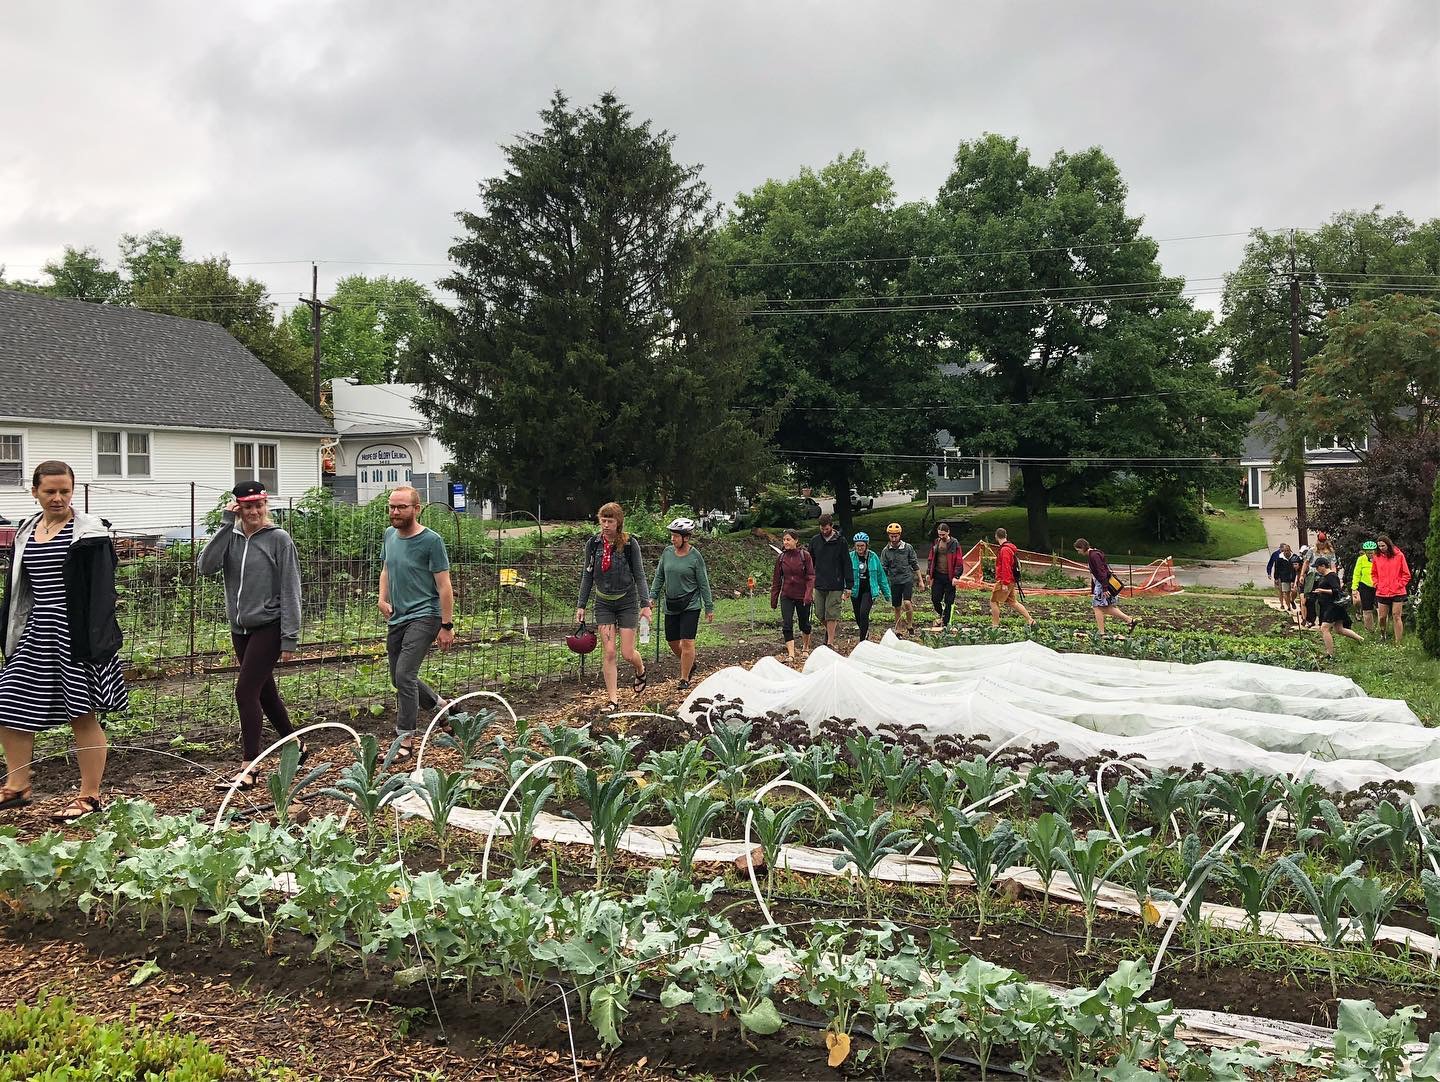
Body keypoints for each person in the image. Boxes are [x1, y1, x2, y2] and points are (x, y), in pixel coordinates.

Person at [0, 461, 125, 821]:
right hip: (38, 630)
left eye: (64, 491)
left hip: (78, 633)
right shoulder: (26, 530)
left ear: (73, 490)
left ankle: (90, 795)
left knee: (81, 714)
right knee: (8, 703)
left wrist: (96, 642)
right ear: (35, 491)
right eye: (50, 491)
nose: (58, 498)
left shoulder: (88, 533)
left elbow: (102, 593)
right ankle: (18, 785)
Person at [197, 480, 304, 790]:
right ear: (238, 508)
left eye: (259, 505)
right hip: (240, 628)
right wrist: (224, 526)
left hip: (269, 625)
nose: (254, 511)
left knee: (245, 692)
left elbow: (291, 588)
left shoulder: (278, 539)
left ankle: (249, 766)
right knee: (264, 693)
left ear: (265, 506)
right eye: (247, 506)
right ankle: (295, 743)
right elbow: (206, 567)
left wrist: (290, 636)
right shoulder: (230, 537)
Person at [379, 486, 454, 761]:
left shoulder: (432, 541)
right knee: (397, 677)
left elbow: (444, 586)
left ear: (416, 509)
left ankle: (405, 739)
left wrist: (446, 625)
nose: (395, 512)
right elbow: (386, 568)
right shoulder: (389, 535)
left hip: (426, 615)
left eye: (401, 507)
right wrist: (381, 598)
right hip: (398, 615)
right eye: (392, 507)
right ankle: (439, 705)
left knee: (404, 675)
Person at [576, 502, 651, 711]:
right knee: (609, 652)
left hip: (627, 601)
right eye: (603, 520)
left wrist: (646, 604)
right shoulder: (593, 545)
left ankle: (640, 669)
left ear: (619, 523)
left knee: (627, 653)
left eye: (610, 521)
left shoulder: (629, 545)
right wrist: (581, 605)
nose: (606, 525)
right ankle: (613, 700)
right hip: (603, 603)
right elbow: (587, 575)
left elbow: (640, 575)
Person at [650, 517, 714, 691]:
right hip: (671, 604)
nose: (673, 539)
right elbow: (659, 576)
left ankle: (684, 678)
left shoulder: (695, 557)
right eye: (672, 536)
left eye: (676, 536)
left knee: (687, 642)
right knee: (672, 641)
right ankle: (690, 663)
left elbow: (703, 582)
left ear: (686, 537)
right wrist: (652, 596)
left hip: (690, 605)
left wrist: (709, 606)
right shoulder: (667, 553)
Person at [1073, 538, 1140, 635]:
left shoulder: (1094, 556)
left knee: (1097, 607)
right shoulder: (1094, 554)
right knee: (1106, 607)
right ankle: (1130, 621)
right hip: (1101, 584)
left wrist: (1104, 588)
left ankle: (1102, 633)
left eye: (1078, 550)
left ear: (1082, 547)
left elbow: (1101, 572)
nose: (1078, 553)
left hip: (1102, 584)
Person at [770, 528, 815, 665]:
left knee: (804, 624)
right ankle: (791, 653)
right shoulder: (781, 558)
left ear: (796, 540)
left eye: (788, 539)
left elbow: (811, 576)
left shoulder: (804, 556)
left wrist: (808, 594)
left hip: (802, 595)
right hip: (787, 595)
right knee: (787, 624)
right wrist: (774, 598)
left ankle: (806, 647)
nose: (785, 542)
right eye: (784, 540)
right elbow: (777, 579)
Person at [807, 514, 852, 647]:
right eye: (822, 528)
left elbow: (847, 563)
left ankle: (830, 642)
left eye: (826, 528)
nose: (824, 531)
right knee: (820, 613)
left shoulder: (841, 541)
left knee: (831, 613)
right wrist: (809, 582)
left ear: (831, 526)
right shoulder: (815, 541)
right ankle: (831, 631)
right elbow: (810, 562)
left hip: (836, 583)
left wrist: (848, 585)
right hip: (819, 582)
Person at [1312, 555, 1364, 659]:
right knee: (1339, 629)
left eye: (1317, 567)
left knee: (1325, 628)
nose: (1316, 569)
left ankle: (1330, 654)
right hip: (1330, 606)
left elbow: (1337, 591)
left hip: (1333, 606)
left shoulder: (1331, 576)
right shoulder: (1325, 577)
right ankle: (1361, 639)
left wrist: (1322, 591)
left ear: (1323, 566)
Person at [879, 522, 921, 637]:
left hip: (907, 579)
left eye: (896, 536)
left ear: (900, 535)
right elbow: (883, 569)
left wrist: (920, 580)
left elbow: (914, 564)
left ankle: (910, 625)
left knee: (907, 602)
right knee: (897, 606)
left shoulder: (907, 548)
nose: (894, 538)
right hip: (894, 581)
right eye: (891, 536)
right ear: (888, 536)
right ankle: (898, 629)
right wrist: (881, 584)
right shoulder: (886, 551)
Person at [848, 533, 891, 642]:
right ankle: (865, 631)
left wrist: (887, 593)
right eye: (857, 546)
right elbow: (845, 574)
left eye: (862, 546)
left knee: (863, 613)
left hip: (869, 590)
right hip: (855, 590)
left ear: (866, 545)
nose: (859, 548)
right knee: (858, 616)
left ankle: (862, 641)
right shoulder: (851, 556)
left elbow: (881, 575)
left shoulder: (873, 557)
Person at [989, 528, 1034, 628]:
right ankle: (1030, 620)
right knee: (1013, 602)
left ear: (996, 536)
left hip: (1005, 580)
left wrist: (1004, 583)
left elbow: (1006, 566)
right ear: (1006, 535)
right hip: (1012, 580)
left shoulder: (1004, 550)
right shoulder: (1010, 548)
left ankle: (995, 626)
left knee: (993, 601)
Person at [1371, 533, 1412, 645]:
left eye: (1383, 546)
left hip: (1397, 591)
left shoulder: (1399, 555)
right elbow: (1373, 573)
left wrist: (1399, 584)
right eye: (1379, 546)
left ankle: (1398, 642)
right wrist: (1376, 584)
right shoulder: (1376, 557)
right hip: (1382, 591)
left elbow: (1406, 574)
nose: (1381, 548)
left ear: (1388, 545)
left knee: (1396, 615)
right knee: (1382, 617)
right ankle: (1383, 634)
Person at [927, 521, 964, 628]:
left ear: (948, 532)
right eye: (939, 534)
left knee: (949, 600)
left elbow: (959, 560)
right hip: (938, 575)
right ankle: (941, 613)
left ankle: (947, 623)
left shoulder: (954, 544)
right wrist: (929, 572)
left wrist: (956, 576)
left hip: (950, 576)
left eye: (943, 534)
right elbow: (931, 558)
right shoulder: (936, 543)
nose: (941, 536)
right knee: (935, 598)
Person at [1351, 540, 1378, 632]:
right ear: (1365, 552)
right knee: (1367, 609)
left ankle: (1383, 630)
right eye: (1368, 552)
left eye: (1372, 552)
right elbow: (1357, 574)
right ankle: (1369, 630)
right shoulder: (1361, 559)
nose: (1370, 554)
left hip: (1378, 586)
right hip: (1365, 585)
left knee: (1380, 609)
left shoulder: (1380, 558)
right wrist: (1354, 588)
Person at [1267, 542, 1295, 611]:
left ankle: (1290, 601)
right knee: (1282, 591)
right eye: (1283, 550)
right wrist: (1271, 574)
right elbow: (1272, 565)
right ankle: (1283, 604)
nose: (1284, 551)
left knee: (1292, 591)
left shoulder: (1293, 557)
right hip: (1281, 576)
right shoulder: (1276, 555)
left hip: (1290, 577)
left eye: (1287, 550)